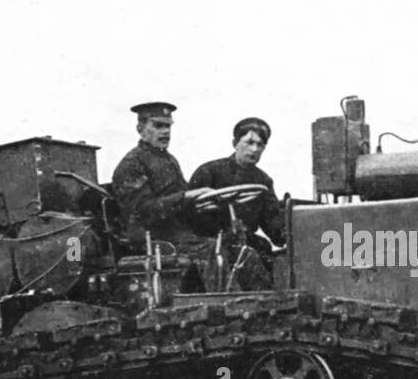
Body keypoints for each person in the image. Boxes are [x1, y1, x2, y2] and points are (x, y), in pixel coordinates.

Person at [111, 100, 213, 289]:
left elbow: (181, 198)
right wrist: (187, 197)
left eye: (168, 126)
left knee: (236, 247)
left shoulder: (168, 159)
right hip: (151, 237)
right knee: (211, 250)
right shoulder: (132, 164)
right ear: (140, 128)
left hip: (175, 233)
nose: (165, 132)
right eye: (158, 126)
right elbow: (142, 210)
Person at [189, 116, 286, 289]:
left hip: (245, 244)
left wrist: (291, 219)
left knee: (271, 259)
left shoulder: (262, 181)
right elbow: (189, 216)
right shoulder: (209, 172)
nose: (254, 149)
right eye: (249, 142)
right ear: (235, 142)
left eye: (260, 145)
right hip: (210, 245)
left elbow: (275, 229)